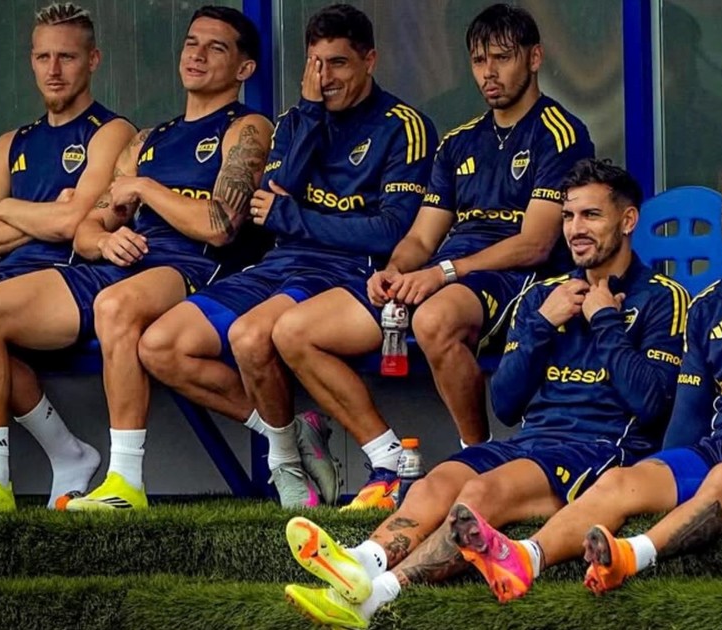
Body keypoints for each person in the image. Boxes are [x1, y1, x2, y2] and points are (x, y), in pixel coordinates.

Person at [280, 158, 687, 627]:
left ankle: (377, 596)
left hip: (599, 448)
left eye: (591, 215)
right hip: (531, 441)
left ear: (628, 220)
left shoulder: (663, 297)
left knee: (480, 491)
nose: (576, 229)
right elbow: (506, 406)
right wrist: (541, 325)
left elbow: (652, 406)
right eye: (569, 216)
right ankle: (362, 560)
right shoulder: (541, 298)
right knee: (437, 482)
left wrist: (606, 322)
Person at [451, 158, 722, 601]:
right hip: (717, 447)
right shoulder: (707, 305)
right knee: (620, 482)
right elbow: (688, 414)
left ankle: (630, 556)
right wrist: (662, 474)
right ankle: (526, 557)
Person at [0, 6, 272, 512]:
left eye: (216, 47)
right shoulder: (148, 139)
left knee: (115, 306)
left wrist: (145, 189)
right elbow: (88, 229)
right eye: (191, 44)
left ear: (244, 68)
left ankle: (125, 482)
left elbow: (219, 225)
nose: (197, 55)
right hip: (121, 266)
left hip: (195, 270)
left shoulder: (246, 127)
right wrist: (105, 241)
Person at [269, 2, 594, 510]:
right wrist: (394, 270)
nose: (489, 73)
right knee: (294, 331)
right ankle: (387, 459)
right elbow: (421, 237)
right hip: (445, 274)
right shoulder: (459, 141)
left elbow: (535, 243)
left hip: (515, 275)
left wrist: (443, 272)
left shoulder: (559, 132)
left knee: (434, 319)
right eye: (479, 60)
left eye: (502, 58)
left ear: (534, 58)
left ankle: (477, 459)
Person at [137, 3, 436, 508]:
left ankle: (292, 468)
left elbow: (389, 231)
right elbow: (273, 201)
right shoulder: (296, 120)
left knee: (251, 335)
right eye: (315, 64)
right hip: (279, 265)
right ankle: (293, 438)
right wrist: (311, 113)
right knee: (160, 346)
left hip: (345, 271)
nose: (325, 77)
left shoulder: (402, 125)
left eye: (338, 63)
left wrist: (292, 217)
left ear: (369, 60)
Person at [0, 2, 133, 506]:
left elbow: (73, 225)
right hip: (5, 281)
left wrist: (7, 209)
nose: (53, 70)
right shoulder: (11, 142)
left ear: (93, 60)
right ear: (31, 61)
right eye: (42, 57)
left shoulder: (112, 131)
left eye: (67, 57)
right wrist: (45, 213)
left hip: (73, 277)